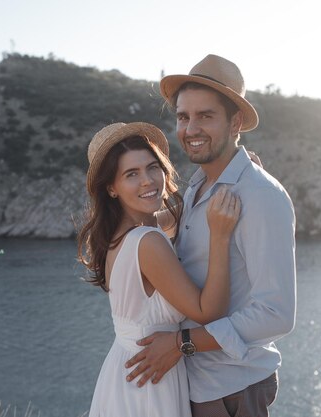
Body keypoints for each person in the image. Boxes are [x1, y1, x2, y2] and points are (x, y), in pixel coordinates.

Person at [124, 54, 297, 417]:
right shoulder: (197, 187)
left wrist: (181, 343)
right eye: (184, 117)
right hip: (195, 385)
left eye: (206, 116)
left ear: (236, 122)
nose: (191, 129)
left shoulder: (261, 196)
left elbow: (276, 314)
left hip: (234, 387)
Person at [77, 121, 241, 417]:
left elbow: (176, 215)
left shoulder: (117, 234)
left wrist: (236, 168)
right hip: (150, 382)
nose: (148, 180)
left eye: (153, 167)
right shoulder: (148, 241)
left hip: (126, 372)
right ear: (111, 188)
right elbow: (209, 312)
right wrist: (220, 236)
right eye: (131, 174)